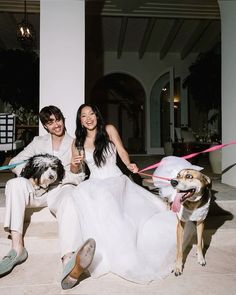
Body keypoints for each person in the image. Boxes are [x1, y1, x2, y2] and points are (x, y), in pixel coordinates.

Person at [70, 103, 177, 283]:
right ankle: (98, 253)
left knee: (112, 200)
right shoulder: (77, 142)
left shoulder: (109, 129)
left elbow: (121, 150)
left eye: (91, 114)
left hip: (115, 179)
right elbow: (76, 171)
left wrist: (129, 164)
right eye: (83, 116)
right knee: (84, 193)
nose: (88, 118)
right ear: (80, 121)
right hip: (95, 182)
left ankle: (125, 256)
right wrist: (74, 163)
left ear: (97, 116)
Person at [0, 105, 95, 290]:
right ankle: (17, 249)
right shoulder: (38, 142)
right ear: (45, 126)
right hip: (36, 191)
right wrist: (33, 175)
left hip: (59, 189)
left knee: (69, 198)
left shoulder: (75, 143)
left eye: (58, 119)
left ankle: (69, 259)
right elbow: (13, 163)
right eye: (50, 122)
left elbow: (79, 176)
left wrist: (62, 175)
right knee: (14, 184)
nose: (56, 125)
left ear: (63, 119)